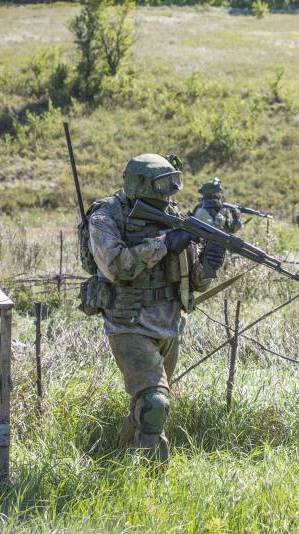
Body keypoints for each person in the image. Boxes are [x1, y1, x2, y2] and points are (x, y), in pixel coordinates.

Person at [85, 154, 224, 461]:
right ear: (140, 183)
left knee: (150, 405)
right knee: (155, 404)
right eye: (159, 188)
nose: (165, 197)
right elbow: (116, 266)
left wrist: (209, 265)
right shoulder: (106, 216)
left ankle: (117, 461)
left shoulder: (170, 215)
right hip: (129, 322)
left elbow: (192, 280)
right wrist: (165, 244)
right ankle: (150, 478)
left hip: (170, 323)